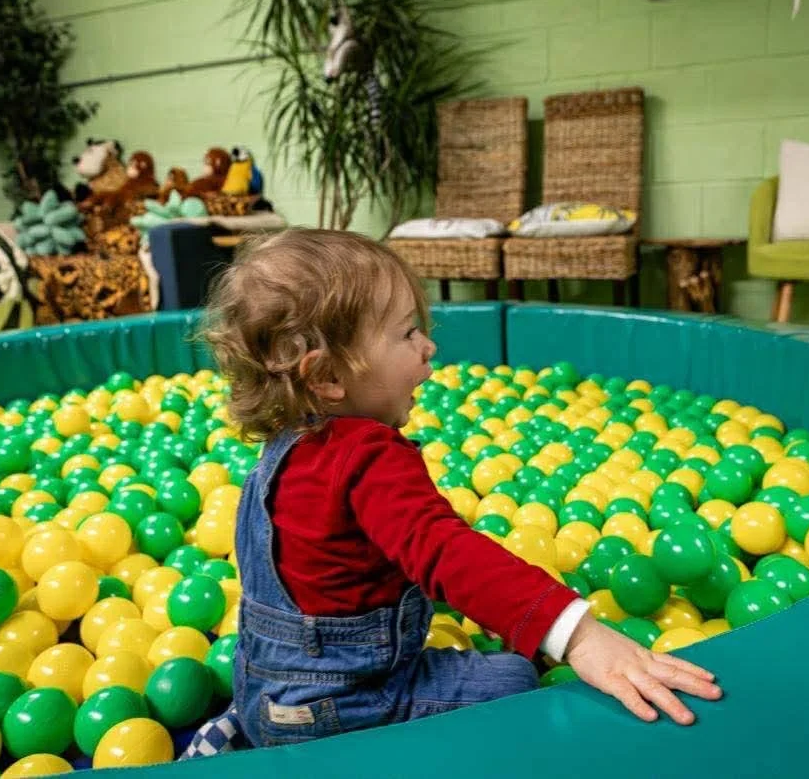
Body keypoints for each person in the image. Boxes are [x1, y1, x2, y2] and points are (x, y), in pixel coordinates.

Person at [183, 229, 721, 756]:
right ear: (326, 376)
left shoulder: (290, 445)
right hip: (338, 704)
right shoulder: (368, 455)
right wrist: (577, 635)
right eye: (407, 334)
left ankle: (247, 727)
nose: (429, 345)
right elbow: (442, 550)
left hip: (264, 689)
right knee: (511, 678)